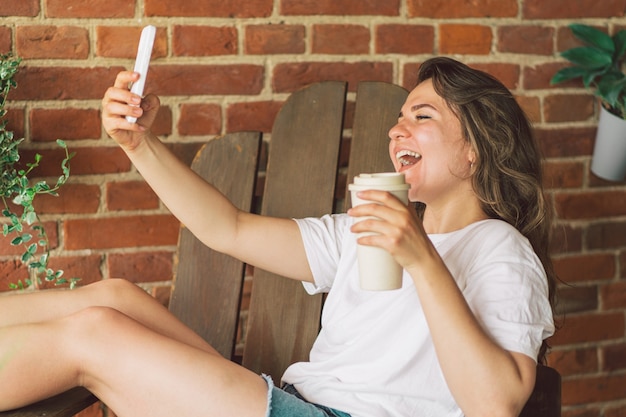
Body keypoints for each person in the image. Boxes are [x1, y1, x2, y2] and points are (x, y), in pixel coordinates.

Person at [0, 57, 556, 417]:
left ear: (474, 149)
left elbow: (497, 403)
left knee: (93, 335)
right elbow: (227, 228)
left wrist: (422, 260)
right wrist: (139, 145)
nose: (395, 128)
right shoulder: (361, 233)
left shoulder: (502, 251)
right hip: (291, 403)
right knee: (113, 297)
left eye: (423, 116)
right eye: (398, 116)